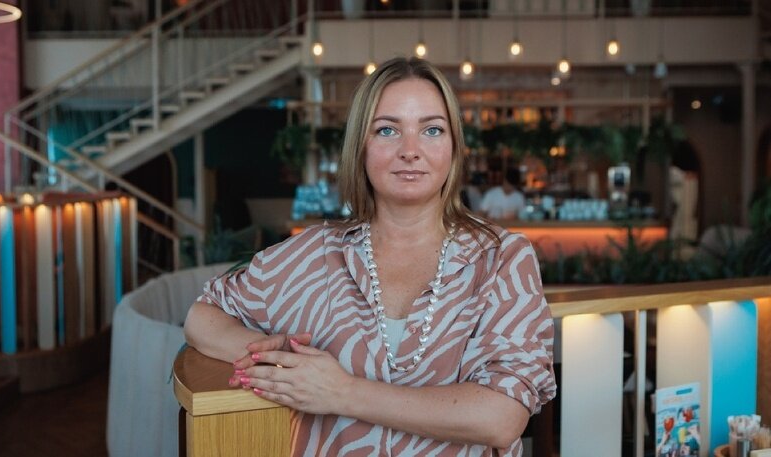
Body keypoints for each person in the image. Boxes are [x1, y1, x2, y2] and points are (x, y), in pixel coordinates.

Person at [184, 57, 556, 456]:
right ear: (360, 147)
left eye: (432, 130)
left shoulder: (501, 259)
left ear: (453, 148)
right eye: (387, 130)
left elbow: (501, 417)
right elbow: (203, 316)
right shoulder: (316, 253)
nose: (410, 151)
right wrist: (272, 356)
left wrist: (341, 392)